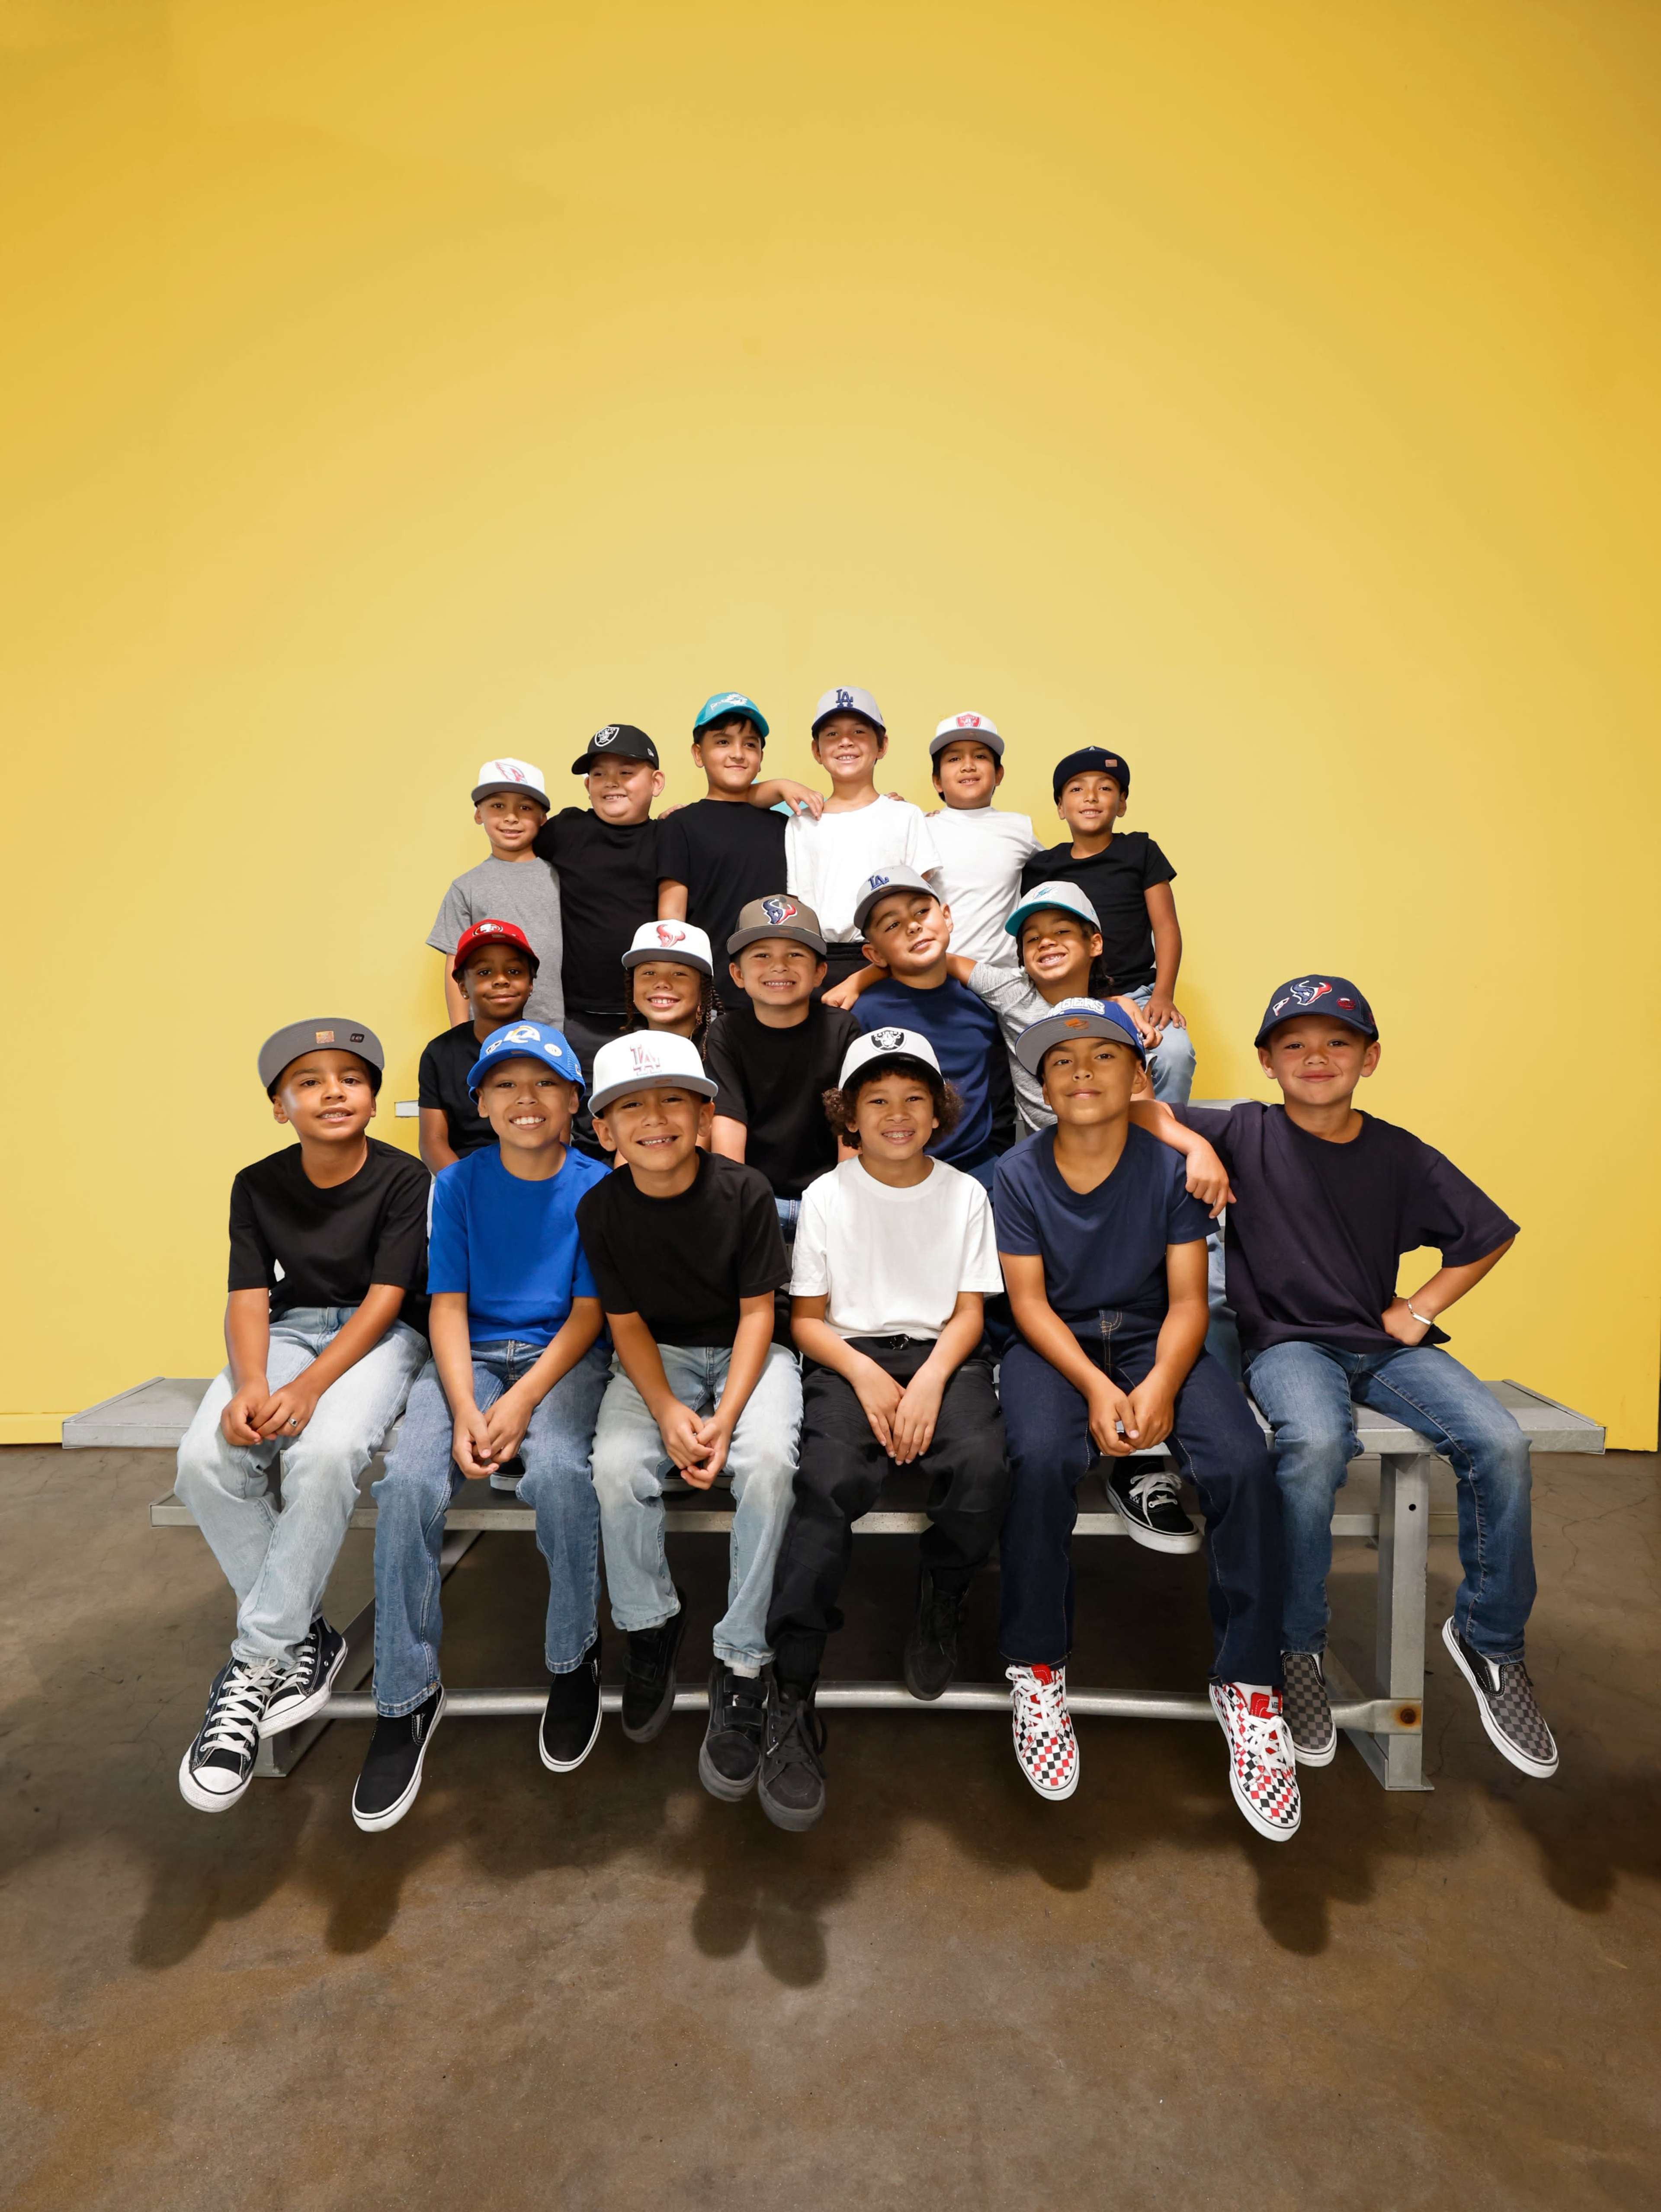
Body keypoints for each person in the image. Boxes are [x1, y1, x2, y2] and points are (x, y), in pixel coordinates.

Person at [1136, 974, 1552, 1779]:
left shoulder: (1400, 1152)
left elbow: (1487, 1232)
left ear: (1371, 1057)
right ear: (1265, 1061)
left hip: (1385, 1345)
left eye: (1337, 1041)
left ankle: (1489, 1639)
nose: (1315, 1056)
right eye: (1293, 1043)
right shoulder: (1244, 1129)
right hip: (1289, 1345)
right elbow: (1138, 1105)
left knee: (1499, 1441)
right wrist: (1194, 1144)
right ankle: (1298, 1646)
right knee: (1317, 1443)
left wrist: (1422, 1307)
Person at [992, 998, 1300, 1840]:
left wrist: (1161, 1383)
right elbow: (1027, 1303)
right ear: (1042, 1084)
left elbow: (1189, 1300)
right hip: (1054, 1344)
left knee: (1241, 1462)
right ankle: (1039, 1664)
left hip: (1154, 1333)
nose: (1082, 1072)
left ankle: (1249, 1681)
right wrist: (1097, 1387)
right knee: (1045, 1457)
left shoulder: (1169, 1172)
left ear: (1139, 1076)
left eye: (1103, 1057)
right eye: (1062, 1061)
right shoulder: (1017, 1174)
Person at [351, 1022, 612, 1833]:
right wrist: (467, 1406)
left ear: (575, 1101)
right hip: (467, 1358)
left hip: (560, 1360)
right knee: (410, 1482)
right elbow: (449, 1305)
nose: (524, 1099)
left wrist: (523, 1399)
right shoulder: (458, 1184)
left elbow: (587, 1313)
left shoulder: (600, 1184)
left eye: (545, 1084)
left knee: (565, 1474)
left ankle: (573, 1660)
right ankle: (406, 1691)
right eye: (505, 1085)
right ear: (480, 1104)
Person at [174, 1020, 429, 1813]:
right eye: (309, 1081)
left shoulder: (404, 1176)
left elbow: (389, 1296)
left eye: (349, 1078)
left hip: (381, 1333)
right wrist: (253, 1380)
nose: (332, 1092)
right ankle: (304, 1636)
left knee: (323, 1455)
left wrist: (313, 1386)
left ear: (372, 1096)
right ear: (279, 1105)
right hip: (288, 1330)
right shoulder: (256, 1182)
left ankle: (256, 1661)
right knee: (205, 1459)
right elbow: (249, 1292)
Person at [758, 1030, 1009, 1832]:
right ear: (849, 1115)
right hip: (847, 1357)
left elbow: (970, 1312)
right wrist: (868, 1375)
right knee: (826, 1483)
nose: (897, 1114)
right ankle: (791, 1688)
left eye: (913, 1098)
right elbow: (806, 1320)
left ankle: (943, 1589)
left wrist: (930, 1376)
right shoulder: (829, 1194)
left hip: (944, 1355)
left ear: (938, 1112)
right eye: (877, 1100)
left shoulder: (966, 1193)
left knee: (982, 1466)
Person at [577, 1033, 802, 1805]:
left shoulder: (745, 1193)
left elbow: (757, 1315)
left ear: (707, 1114)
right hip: (658, 1359)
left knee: (769, 1462)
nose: (656, 1117)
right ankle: (650, 1623)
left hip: (748, 1354)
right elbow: (627, 1321)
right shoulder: (600, 1206)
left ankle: (742, 1657)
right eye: (631, 1105)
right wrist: (671, 1411)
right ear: (604, 1130)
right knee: (615, 1465)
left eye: (675, 1099)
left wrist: (727, 1416)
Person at [1020, 747, 1194, 1103]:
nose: (1092, 797)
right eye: (1077, 789)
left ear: (1123, 803)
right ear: (1060, 807)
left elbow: (1166, 927)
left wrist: (1163, 994)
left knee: (1176, 1055)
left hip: (1138, 994)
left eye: (1105, 788)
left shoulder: (1141, 851)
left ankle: (1164, 1146)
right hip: (1068, 998)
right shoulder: (1042, 867)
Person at [533, 726, 668, 1147]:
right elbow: (512, 838)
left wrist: (775, 786)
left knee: (651, 1129)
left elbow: (729, 814)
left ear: (657, 782)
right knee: (585, 1133)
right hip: (580, 1020)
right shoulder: (566, 830)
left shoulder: (672, 836)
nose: (611, 782)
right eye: (598, 773)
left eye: (627, 771)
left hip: (654, 1019)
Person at [657, 693, 822, 1013]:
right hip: (711, 997)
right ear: (698, 753)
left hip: (781, 992)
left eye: (750, 745)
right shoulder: (679, 825)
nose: (737, 754)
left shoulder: (787, 825)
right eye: (722, 742)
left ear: (761, 756)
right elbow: (671, 919)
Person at [707, 895, 859, 1239]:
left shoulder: (842, 1029)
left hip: (829, 1197)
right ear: (737, 973)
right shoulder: (727, 1032)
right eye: (762, 955)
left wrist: (844, 1204)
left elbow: (850, 1127)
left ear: (820, 971)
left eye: (795, 954)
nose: (779, 966)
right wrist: (742, 1206)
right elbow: (728, 1127)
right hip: (757, 1199)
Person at [847, 866, 1007, 1189]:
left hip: (977, 1171)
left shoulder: (984, 1002)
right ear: (873, 953)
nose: (913, 926)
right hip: (893, 1173)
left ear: (947, 917)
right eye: (892, 924)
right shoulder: (864, 1012)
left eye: (922, 911)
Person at [786, 686, 943, 991]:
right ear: (816, 751)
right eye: (832, 734)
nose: (846, 742)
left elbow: (921, 901)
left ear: (882, 745)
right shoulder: (801, 824)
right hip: (821, 959)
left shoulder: (906, 815)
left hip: (893, 956)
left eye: (859, 731)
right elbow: (798, 903)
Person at [427, 758, 564, 1026]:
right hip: (487, 1031)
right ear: (479, 814)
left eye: (525, 807)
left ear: (543, 818)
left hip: (559, 1029)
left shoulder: (563, 878)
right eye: (498, 806)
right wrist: (460, 1035)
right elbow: (455, 965)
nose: (511, 817)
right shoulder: (465, 887)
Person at [417, 919, 539, 1171]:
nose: (501, 980)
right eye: (485, 973)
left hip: (538, 1175)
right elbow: (433, 1142)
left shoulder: (548, 1047)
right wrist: (464, 1189)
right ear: (463, 986)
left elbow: (556, 1134)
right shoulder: (439, 1053)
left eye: (514, 972)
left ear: (531, 983)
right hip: (461, 1178)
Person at [924, 713, 1039, 968]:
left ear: (999, 774)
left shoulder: (1020, 827)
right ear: (937, 781)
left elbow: (1057, 872)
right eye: (954, 759)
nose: (968, 766)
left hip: (1005, 975)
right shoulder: (921, 827)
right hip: (941, 972)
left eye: (980, 756)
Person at [620, 918, 717, 1054]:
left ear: (703, 991)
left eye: (679, 974)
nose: (662, 983)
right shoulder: (620, 1053)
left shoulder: (724, 1051)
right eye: (649, 972)